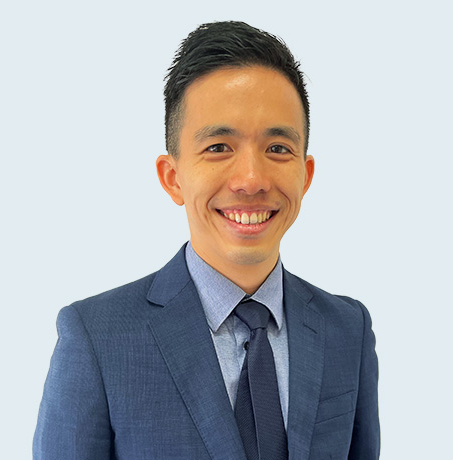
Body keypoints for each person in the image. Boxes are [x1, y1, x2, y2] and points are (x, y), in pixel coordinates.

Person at [33, 21, 380, 460]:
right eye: (219, 147)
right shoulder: (96, 338)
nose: (252, 180)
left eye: (278, 149)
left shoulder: (347, 328)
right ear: (172, 177)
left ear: (305, 175)